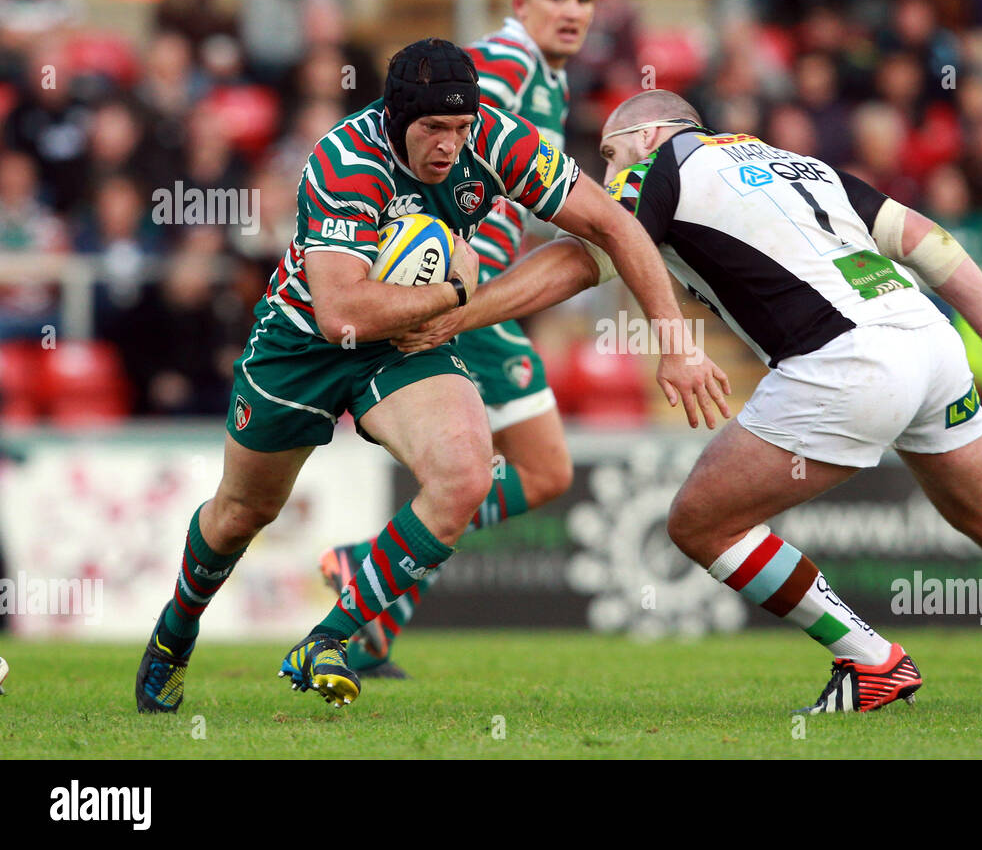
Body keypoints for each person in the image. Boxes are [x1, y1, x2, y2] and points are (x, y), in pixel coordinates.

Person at [403, 89, 982, 711]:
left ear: (649, 136)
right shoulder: (798, 162)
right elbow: (926, 237)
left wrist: (457, 313)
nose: (607, 174)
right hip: (927, 342)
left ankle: (869, 661)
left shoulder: (658, 170)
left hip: (846, 363)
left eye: (611, 153)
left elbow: (586, 260)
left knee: (696, 522)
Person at [135, 43, 729, 713]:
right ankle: (173, 634)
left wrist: (674, 342)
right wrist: (454, 294)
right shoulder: (344, 159)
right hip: (300, 345)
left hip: (404, 344)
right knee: (242, 513)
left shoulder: (502, 141)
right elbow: (339, 313)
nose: (449, 146)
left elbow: (614, 225)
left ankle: (327, 637)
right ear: (395, 117)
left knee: (467, 474)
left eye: (461, 128)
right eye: (432, 130)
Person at [318, 0, 602, 679]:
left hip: (486, 292)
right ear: (521, 2)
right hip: (460, 294)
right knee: (538, 471)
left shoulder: (547, 79)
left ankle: (376, 615)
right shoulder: (503, 66)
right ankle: (367, 571)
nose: (572, 12)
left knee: (520, 473)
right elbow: (426, 145)